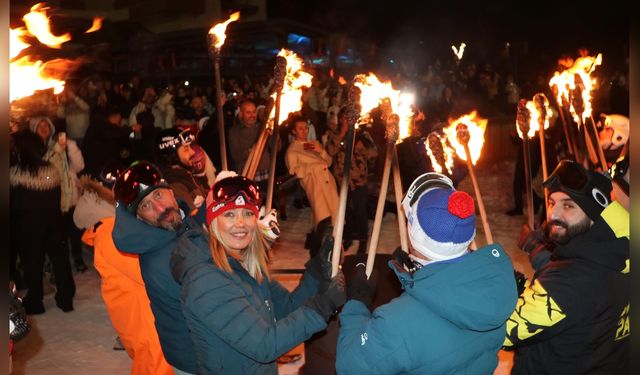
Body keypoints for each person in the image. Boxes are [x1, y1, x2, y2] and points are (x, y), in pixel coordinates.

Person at [336, 172, 518, 375]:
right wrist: (417, 277)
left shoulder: (397, 324)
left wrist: (357, 304)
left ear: (413, 233)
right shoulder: (495, 284)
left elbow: (349, 367)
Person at [170, 172, 346, 374]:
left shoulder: (245, 263)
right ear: (212, 221)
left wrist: (316, 272)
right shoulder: (205, 281)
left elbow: (286, 309)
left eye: (247, 213)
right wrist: (323, 306)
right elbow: (264, 345)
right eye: (229, 214)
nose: (241, 223)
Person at [503, 159, 629, 374]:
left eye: (569, 205)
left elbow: (503, 332)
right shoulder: (617, 252)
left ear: (593, 214)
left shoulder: (570, 281)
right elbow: (582, 305)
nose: (554, 214)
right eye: (552, 202)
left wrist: (500, 293)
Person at [81, 162, 174, 375]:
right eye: (145, 203)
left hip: (155, 334)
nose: (156, 207)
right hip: (152, 339)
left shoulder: (136, 233)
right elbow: (163, 276)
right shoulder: (116, 239)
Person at [112, 161, 201, 374]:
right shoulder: (162, 259)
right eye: (146, 206)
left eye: (158, 196)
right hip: (200, 360)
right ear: (139, 219)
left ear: (171, 191)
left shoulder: (183, 226)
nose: (160, 209)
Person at [10, 130, 76, 314]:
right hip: (54, 223)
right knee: (60, 261)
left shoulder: (16, 172)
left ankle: (35, 302)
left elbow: (15, 203)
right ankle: (66, 299)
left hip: (29, 227)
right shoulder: (51, 170)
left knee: (33, 264)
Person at [325, 108, 378, 253]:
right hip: (342, 181)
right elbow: (330, 152)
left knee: (361, 211)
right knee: (345, 211)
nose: (346, 122)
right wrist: (342, 134)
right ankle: (347, 236)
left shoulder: (362, 135)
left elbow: (374, 153)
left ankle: (362, 239)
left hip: (358, 180)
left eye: (349, 119)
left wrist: (362, 146)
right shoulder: (334, 135)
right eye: (344, 119)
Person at [285, 115, 339, 256]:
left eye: (306, 128)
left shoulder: (313, 144)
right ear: (293, 131)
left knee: (325, 215)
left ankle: (312, 240)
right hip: (314, 184)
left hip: (327, 182)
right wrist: (314, 167)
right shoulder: (292, 150)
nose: (304, 131)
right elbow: (294, 171)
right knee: (323, 217)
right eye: (300, 128)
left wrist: (321, 150)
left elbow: (328, 162)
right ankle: (315, 252)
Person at [229, 100, 270, 190]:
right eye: (248, 112)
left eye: (254, 112)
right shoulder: (234, 132)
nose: (252, 115)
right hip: (247, 174)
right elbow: (235, 155)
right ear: (241, 114)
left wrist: (275, 135)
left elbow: (277, 148)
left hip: (266, 174)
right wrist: (249, 152)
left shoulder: (264, 128)